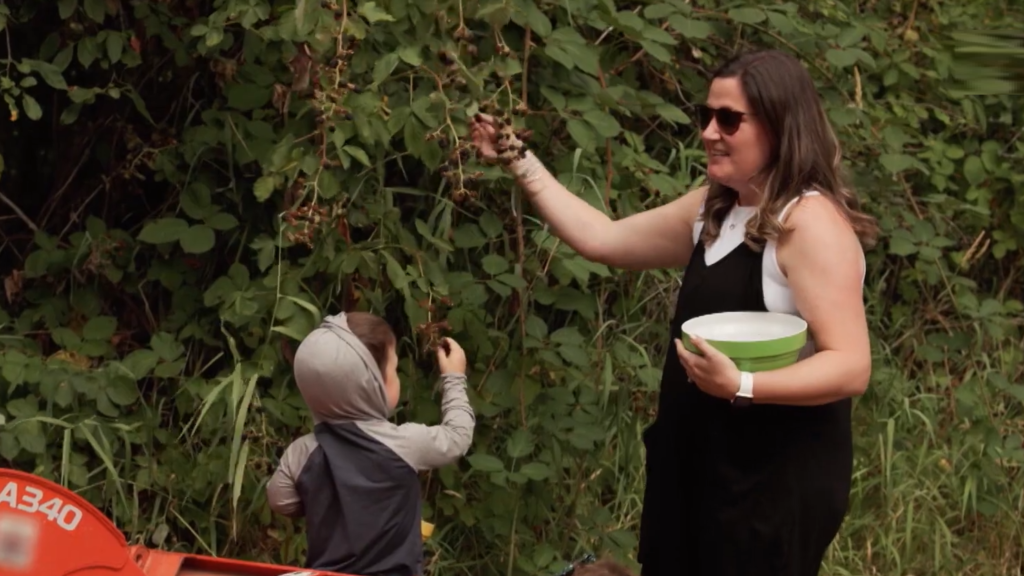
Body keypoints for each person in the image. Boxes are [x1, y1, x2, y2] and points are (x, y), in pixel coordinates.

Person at [470, 49, 878, 576]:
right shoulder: (716, 206)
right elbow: (606, 240)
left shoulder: (809, 223)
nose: (710, 132)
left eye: (729, 119)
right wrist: (516, 158)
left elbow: (851, 366)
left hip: (770, 481)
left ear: (780, 124)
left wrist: (743, 384)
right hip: (696, 464)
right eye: (705, 116)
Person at [266, 312, 476, 576]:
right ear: (370, 386)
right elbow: (457, 437)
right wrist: (454, 378)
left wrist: (323, 501)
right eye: (393, 370)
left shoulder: (302, 453)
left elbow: (279, 500)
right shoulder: (404, 444)